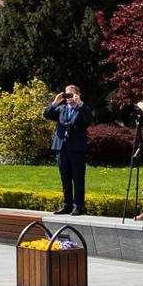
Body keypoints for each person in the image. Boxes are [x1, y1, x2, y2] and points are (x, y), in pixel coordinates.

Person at [43, 86, 93, 215]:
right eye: (67, 94)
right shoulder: (61, 108)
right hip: (62, 148)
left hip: (77, 149)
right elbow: (47, 114)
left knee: (77, 178)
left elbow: (90, 119)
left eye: (72, 94)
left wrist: (80, 103)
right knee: (65, 178)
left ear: (78, 95)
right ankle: (67, 205)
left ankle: (78, 206)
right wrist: (55, 102)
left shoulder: (81, 109)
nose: (69, 97)